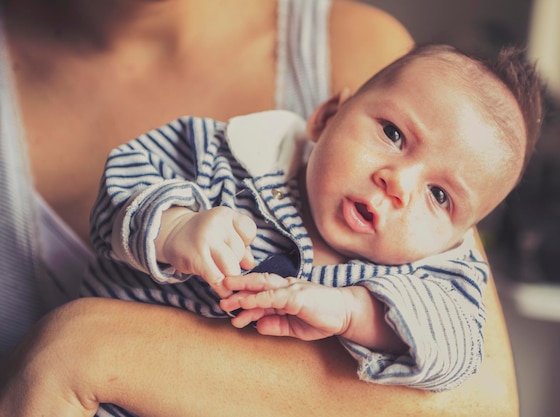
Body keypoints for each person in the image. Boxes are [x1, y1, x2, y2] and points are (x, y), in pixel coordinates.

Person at [0, 0, 520, 416]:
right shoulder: (227, 154)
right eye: (391, 134)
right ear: (326, 117)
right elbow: (127, 182)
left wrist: (357, 311)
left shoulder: (427, 268)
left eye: (440, 196)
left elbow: (460, 357)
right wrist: (175, 226)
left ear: (459, 235)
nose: (399, 183)